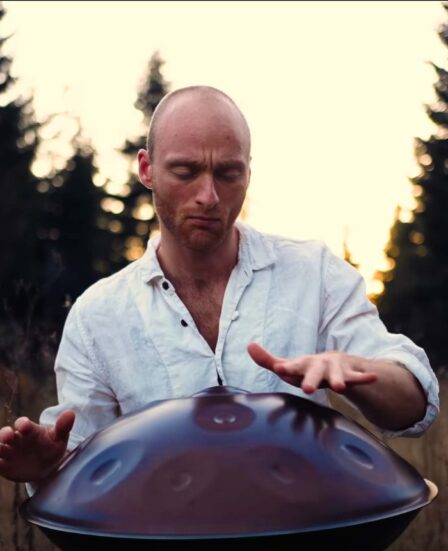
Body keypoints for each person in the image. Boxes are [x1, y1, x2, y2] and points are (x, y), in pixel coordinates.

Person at [0, 85, 439, 489]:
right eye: (186, 171)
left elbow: (413, 407)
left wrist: (360, 374)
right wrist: (45, 471)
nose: (208, 195)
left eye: (228, 173)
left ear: (249, 172)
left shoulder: (315, 273)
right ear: (147, 169)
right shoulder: (98, 316)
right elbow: (82, 474)